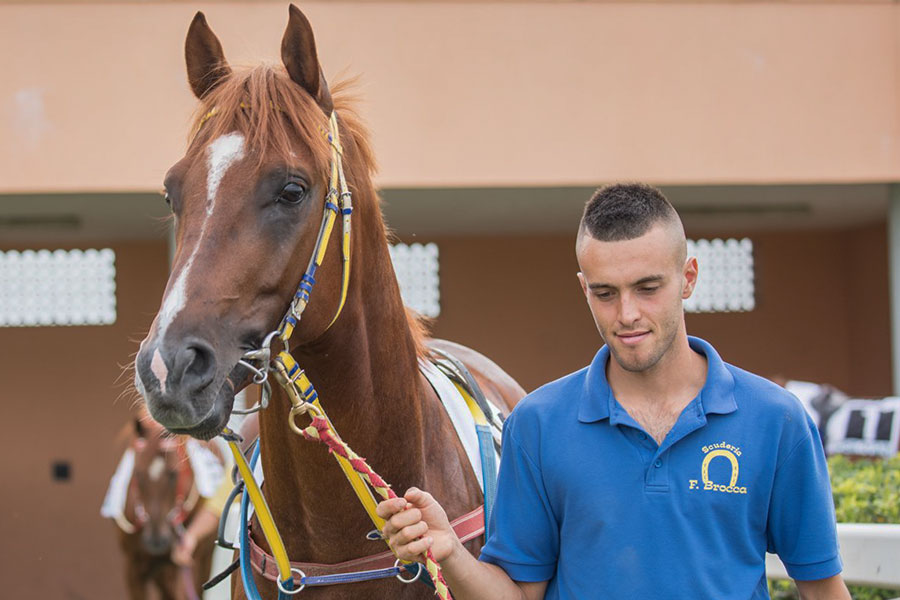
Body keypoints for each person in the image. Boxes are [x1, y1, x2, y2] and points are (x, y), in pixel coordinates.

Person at [377, 184, 850, 599]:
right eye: (605, 293)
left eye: (647, 288)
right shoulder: (538, 424)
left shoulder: (776, 420)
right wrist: (451, 553)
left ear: (688, 278)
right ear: (584, 289)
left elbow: (821, 588)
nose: (626, 314)